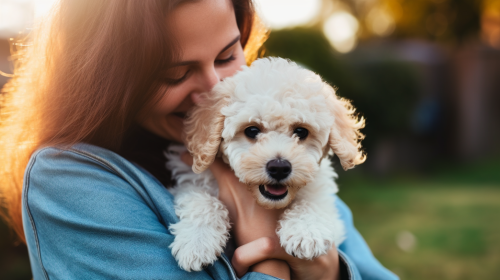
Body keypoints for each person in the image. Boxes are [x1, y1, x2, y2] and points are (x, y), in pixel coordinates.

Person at [0, 0, 399, 279]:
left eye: (227, 56)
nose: (214, 90)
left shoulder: (288, 150)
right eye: (175, 74)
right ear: (110, 81)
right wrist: (271, 257)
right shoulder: (70, 180)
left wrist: (331, 273)